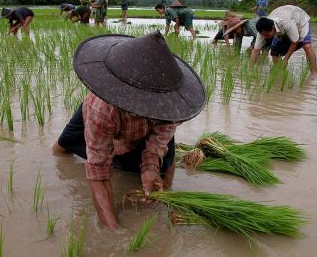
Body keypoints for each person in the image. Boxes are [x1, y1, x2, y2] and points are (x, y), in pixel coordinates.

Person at [52, 31, 206, 230]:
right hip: (101, 116)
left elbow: (159, 141)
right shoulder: (101, 110)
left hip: (144, 126)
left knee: (165, 163)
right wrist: (113, 232)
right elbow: (99, 170)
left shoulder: (171, 107)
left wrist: (150, 169)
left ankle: (163, 200)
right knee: (62, 148)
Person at [250, 5, 317, 75]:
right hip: (283, 24)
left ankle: (314, 75)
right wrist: (250, 70)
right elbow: (256, 50)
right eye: (262, 35)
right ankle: (280, 74)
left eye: (267, 35)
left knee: (307, 46)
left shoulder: (286, 24)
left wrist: (286, 59)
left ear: (273, 28)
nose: (265, 37)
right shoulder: (262, 30)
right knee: (274, 51)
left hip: (300, 21)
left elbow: (295, 41)